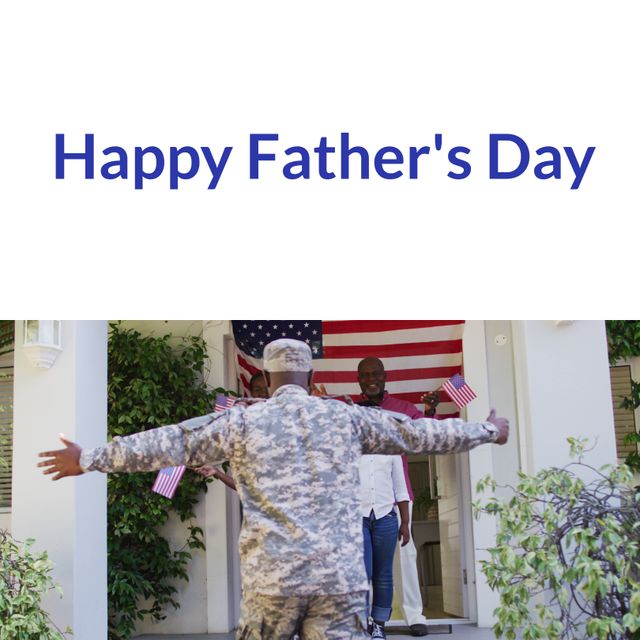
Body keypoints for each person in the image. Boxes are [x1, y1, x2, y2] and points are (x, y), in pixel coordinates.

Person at [39, 339, 509, 640]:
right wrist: (489, 430)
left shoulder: (240, 421)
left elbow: (170, 442)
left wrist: (88, 458)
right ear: (311, 378)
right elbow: (420, 433)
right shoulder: (346, 417)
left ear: (266, 379)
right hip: (339, 583)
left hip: (272, 585)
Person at [357, 357, 440, 637]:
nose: (371, 379)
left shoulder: (404, 409)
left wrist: (429, 410)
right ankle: (364, 620)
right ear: (358, 380)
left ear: (385, 377)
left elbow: (424, 435)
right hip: (360, 501)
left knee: (405, 554)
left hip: (397, 493)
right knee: (364, 566)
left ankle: (414, 614)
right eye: (365, 375)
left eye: (376, 374)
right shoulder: (353, 411)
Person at [358, 423, 410, 639]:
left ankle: (378, 624)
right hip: (357, 518)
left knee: (384, 574)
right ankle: (360, 624)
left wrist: (405, 523)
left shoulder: (392, 450)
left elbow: (400, 488)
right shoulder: (352, 448)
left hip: (385, 517)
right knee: (362, 573)